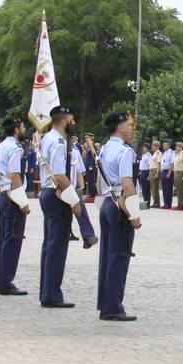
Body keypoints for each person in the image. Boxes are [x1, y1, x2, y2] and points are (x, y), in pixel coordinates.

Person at [96, 111, 141, 320]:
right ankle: (113, 307)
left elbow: (98, 183)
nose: (131, 128)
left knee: (107, 255)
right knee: (119, 256)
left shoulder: (104, 148)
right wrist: (134, 213)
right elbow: (127, 183)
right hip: (120, 206)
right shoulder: (125, 152)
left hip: (107, 202)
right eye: (129, 125)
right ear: (120, 127)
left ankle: (106, 303)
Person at [38, 106, 81, 308]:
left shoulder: (47, 138)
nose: (74, 123)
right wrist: (74, 200)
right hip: (57, 194)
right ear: (64, 121)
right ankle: (51, 295)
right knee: (56, 246)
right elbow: (59, 175)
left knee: (50, 245)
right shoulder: (57, 142)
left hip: (48, 192)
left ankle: (46, 291)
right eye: (72, 119)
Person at [0, 116, 31, 296]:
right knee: (12, 240)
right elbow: (15, 175)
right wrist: (23, 202)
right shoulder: (15, 148)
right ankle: (5, 282)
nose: (24, 129)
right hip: (12, 196)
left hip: (3, 192)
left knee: (3, 239)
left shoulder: (2, 145)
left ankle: (0, 280)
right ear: (17, 129)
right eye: (22, 126)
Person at [68, 133, 99, 246]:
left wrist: (81, 188)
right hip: (59, 188)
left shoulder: (76, 152)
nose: (72, 140)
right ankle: (68, 232)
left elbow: (79, 171)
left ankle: (88, 236)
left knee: (81, 211)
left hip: (73, 188)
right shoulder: (58, 149)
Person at [159, 138, 175, 209]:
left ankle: (168, 204)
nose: (163, 146)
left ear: (168, 145)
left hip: (168, 171)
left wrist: (169, 173)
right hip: (163, 171)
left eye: (164, 145)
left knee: (168, 188)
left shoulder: (172, 153)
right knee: (164, 188)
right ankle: (165, 203)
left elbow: (172, 163)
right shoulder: (164, 153)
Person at [172, 141, 183, 211]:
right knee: (178, 190)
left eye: (177, 146)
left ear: (180, 147)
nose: (176, 147)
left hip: (181, 172)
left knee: (182, 190)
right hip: (176, 172)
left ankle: (182, 205)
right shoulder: (176, 154)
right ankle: (179, 204)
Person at [138, 143, 153, 207]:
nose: (142, 149)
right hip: (142, 172)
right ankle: (145, 203)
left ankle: (147, 203)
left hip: (146, 172)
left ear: (147, 148)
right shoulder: (143, 155)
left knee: (147, 189)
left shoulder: (148, 155)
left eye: (144, 147)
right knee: (143, 189)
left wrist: (149, 175)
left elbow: (150, 166)